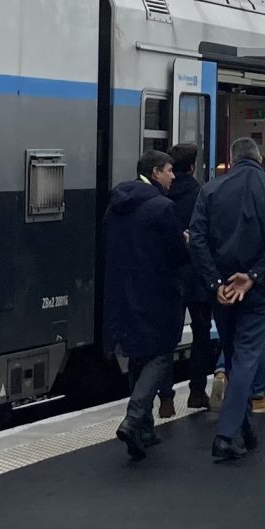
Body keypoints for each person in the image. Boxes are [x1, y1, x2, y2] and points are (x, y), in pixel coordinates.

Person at [188, 136, 265, 462]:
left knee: (234, 356)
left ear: (231, 159)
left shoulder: (210, 190)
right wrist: (253, 276)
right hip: (258, 290)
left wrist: (215, 282)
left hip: (222, 291)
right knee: (247, 358)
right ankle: (225, 435)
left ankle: (245, 428)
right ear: (260, 159)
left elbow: (197, 240)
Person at [103, 150, 188, 460]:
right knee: (162, 354)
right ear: (155, 172)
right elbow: (177, 255)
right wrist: (186, 243)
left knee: (138, 355)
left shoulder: (116, 204)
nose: (173, 176)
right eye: (168, 171)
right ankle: (135, 416)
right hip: (157, 292)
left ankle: (145, 428)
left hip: (122, 291)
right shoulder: (163, 208)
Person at [158, 143, 213, 417]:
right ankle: (197, 391)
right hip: (197, 276)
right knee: (202, 335)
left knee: (167, 339)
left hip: (169, 277)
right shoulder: (203, 194)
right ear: (192, 166)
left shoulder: (161, 196)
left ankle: (166, 398)